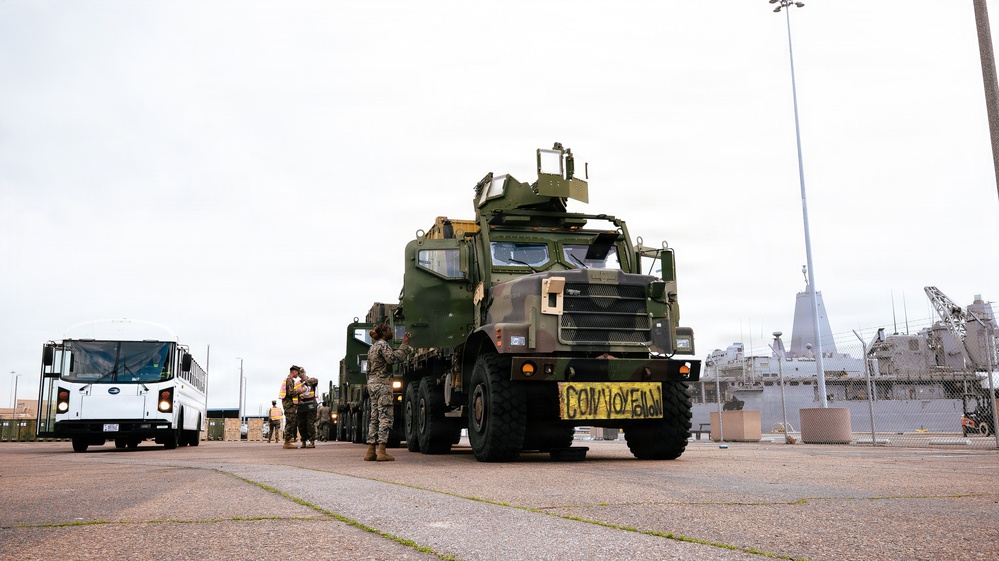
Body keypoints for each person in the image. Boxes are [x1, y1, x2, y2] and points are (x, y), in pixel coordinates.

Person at [364, 324, 413, 461]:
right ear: (384, 332)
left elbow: (368, 370)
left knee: (374, 417)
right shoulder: (383, 345)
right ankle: (382, 451)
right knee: (385, 416)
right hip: (382, 385)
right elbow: (392, 359)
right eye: (390, 330)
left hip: (372, 384)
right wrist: (404, 346)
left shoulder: (372, 348)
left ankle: (370, 451)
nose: (392, 332)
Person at [280, 365, 303, 449]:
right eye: (297, 372)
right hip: (289, 405)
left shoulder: (290, 380)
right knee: (290, 423)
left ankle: (288, 441)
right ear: (293, 372)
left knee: (291, 422)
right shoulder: (289, 380)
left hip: (289, 404)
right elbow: (290, 392)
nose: (298, 374)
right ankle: (287, 442)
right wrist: (300, 391)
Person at [297, 373, 318, 448]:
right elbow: (295, 391)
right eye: (300, 375)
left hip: (310, 403)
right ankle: (303, 441)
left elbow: (315, 381)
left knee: (310, 424)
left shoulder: (311, 380)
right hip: (302, 404)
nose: (301, 376)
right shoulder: (297, 383)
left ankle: (312, 441)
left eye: (302, 374)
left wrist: (305, 382)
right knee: (301, 424)